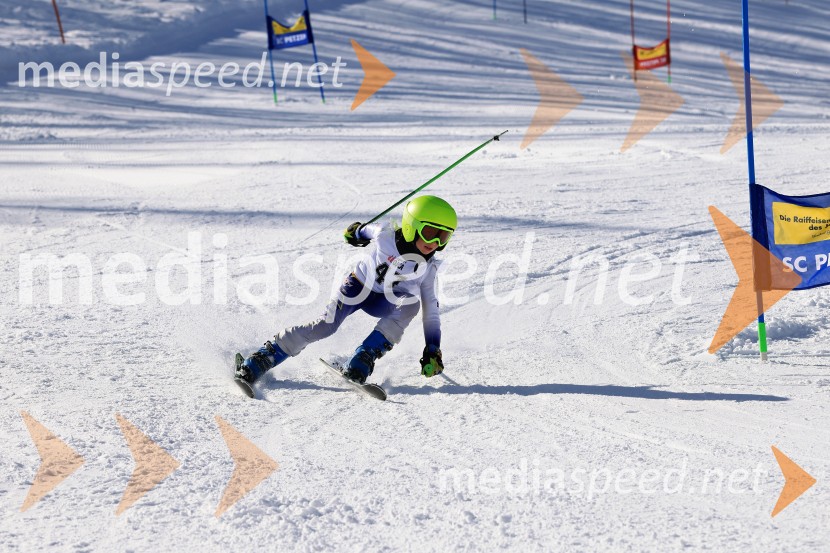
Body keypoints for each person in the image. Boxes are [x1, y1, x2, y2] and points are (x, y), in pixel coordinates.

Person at [234, 195, 456, 385]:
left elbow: (432, 312)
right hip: (357, 287)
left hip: (385, 301)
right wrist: (355, 232)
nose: (435, 242)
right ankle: (267, 355)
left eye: (443, 236)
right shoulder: (385, 235)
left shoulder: (428, 268)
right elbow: (365, 231)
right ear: (411, 226)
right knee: (325, 327)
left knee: (412, 304)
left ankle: (364, 356)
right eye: (429, 232)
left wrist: (432, 348)